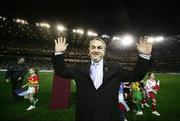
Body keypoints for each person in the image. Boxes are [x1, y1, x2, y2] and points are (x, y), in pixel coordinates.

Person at [53, 36, 153, 121]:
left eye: (99, 48)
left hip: (109, 117)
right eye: (93, 47)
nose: (96, 50)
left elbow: (136, 76)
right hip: (84, 116)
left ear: (104, 52)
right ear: (89, 51)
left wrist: (144, 56)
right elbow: (61, 72)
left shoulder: (115, 68)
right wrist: (58, 53)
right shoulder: (79, 68)